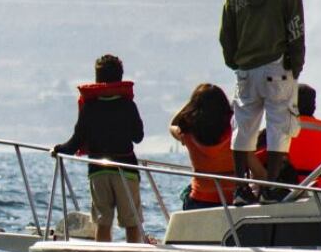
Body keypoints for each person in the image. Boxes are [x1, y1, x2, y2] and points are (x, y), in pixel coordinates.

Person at [219, 0, 305, 196]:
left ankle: (240, 187)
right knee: (279, 125)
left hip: (245, 70)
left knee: (243, 128)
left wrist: (234, 61)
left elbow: (226, 33)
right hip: (277, 69)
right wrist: (296, 65)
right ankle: (271, 187)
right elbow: (295, 31)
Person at [51, 54, 146, 242]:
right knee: (132, 222)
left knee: (103, 222)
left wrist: (58, 150)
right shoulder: (128, 105)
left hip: (98, 172)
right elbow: (138, 137)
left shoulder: (89, 107)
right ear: (119, 77)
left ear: (97, 79)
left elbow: (75, 142)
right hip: (126, 171)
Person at [169, 83, 236, 210]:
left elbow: (172, 125)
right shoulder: (235, 133)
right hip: (231, 199)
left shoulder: (188, 134)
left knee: (187, 193)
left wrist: (190, 106)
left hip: (200, 199)